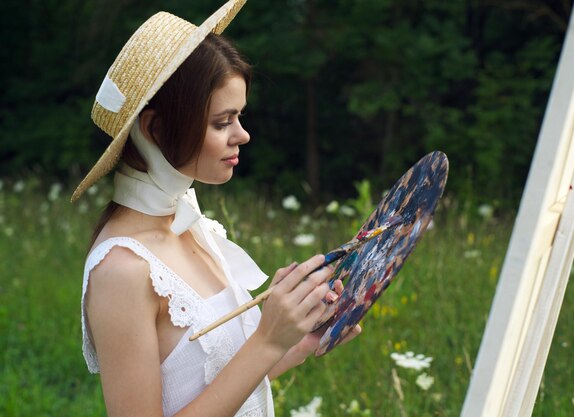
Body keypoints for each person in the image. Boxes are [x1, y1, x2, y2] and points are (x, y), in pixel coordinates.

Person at [71, 1, 360, 416]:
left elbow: (211, 383)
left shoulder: (190, 225)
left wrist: (294, 339)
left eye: (239, 117)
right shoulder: (121, 269)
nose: (242, 135)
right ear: (155, 128)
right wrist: (265, 342)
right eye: (222, 122)